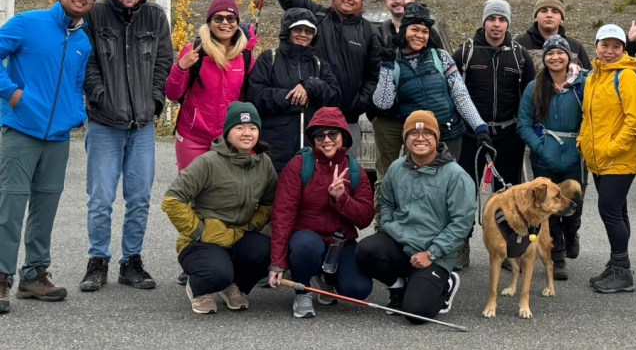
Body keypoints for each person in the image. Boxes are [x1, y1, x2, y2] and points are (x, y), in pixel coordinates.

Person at [0, 0, 98, 314]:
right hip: (21, 130)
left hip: (58, 136)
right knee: (9, 205)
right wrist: (10, 93)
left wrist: (76, 113)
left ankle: (34, 274)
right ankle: (1, 276)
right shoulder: (28, 23)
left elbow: (74, 84)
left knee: (46, 207)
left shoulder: (84, 40)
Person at [81, 0, 174, 293]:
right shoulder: (97, 15)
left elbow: (164, 61)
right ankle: (97, 261)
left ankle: (130, 261)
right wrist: (99, 95)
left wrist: (155, 101)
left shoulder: (155, 16)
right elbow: (87, 61)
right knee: (101, 198)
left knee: (139, 198)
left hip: (143, 126)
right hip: (104, 122)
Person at [355, 110, 475, 324]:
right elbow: (386, 204)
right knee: (366, 251)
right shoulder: (396, 168)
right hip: (401, 243)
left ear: (437, 138)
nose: (420, 138)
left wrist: (432, 253)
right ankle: (398, 286)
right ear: (405, 138)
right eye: (413, 133)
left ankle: (445, 284)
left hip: (434, 253)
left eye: (427, 133)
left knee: (416, 313)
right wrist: (393, 228)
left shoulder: (456, 176)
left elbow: (461, 224)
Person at [262, 0, 380, 129]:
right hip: (310, 113)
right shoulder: (316, 16)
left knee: (345, 163)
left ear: (362, 1)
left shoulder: (369, 31)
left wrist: (358, 104)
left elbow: (374, 75)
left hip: (347, 118)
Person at [161, 102, 277, 314]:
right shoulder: (208, 162)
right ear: (227, 132)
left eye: (252, 128)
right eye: (239, 128)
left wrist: (252, 225)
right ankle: (199, 289)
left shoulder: (264, 163)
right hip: (203, 240)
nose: (247, 133)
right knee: (216, 272)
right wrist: (200, 231)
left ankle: (233, 286)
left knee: (265, 251)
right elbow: (172, 199)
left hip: (239, 235)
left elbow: (270, 202)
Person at [268, 106, 374, 318]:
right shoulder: (299, 165)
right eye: (319, 135)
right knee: (306, 245)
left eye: (332, 133)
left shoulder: (355, 171)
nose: (326, 139)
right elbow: (282, 215)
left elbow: (365, 219)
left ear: (343, 135)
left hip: (339, 242)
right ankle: (302, 288)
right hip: (306, 239)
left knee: (358, 289)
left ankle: (326, 278)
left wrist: (342, 198)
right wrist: (277, 262)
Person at [454, 0, 535, 268]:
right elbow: (454, 93)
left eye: (502, 20)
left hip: (508, 136)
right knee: (465, 194)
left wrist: (526, 132)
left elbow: (530, 97)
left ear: (508, 23)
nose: (496, 25)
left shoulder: (520, 55)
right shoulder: (465, 52)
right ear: (484, 21)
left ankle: (509, 247)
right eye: (492, 19)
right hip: (471, 136)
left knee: (509, 196)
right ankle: (461, 244)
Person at [373, 3, 491, 164]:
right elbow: (383, 103)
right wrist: (386, 66)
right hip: (418, 139)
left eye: (425, 31)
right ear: (404, 30)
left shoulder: (441, 57)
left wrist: (479, 126)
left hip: (449, 134)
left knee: (449, 182)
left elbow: (460, 95)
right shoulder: (392, 61)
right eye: (414, 29)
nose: (420, 35)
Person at [579, 24, 636, 294]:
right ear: (595, 46)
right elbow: (588, 116)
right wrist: (583, 141)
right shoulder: (594, 77)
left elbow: (635, 122)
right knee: (618, 211)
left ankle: (622, 271)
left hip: (619, 159)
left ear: (623, 49)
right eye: (604, 46)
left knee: (609, 211)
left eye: (616, 46)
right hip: (599, 158)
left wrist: (611, 148)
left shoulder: (626, 78)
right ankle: (618, 264)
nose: (609, 51)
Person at [516, 35, 586, 281]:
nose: (555, 57)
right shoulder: (534, 87)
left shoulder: (583, 83)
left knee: (574, 202)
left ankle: (572, 232)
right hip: (545, 157)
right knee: (549, 208)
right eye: (550, 54)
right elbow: (523, 124)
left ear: (569, 56)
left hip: (577, 155)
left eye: (560, 53)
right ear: (543, 59)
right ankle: (557, 256)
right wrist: (540, 147)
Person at [165, 0, 257, 171]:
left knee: (228, 194)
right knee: (192, 192)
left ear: (237, 23)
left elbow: (250, 98)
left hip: (230, 138)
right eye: (218, 18)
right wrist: (181, 68)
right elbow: (172, 94)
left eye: (231, 18)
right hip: (193, 137)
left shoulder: (245, 56)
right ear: (209, 22)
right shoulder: (193, 51)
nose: (225, 23)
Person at [248, 8, 342, 172]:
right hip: (274, 147)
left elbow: (334, 97)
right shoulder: (269, 58)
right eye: (297, 29)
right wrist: (291, 97)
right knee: (274, 195)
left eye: (308, 31)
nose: (303, 35)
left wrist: (311, 86)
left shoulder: (319, 64)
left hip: (313, 145)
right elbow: (255, 96)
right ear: (287, 31)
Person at [516, 0, 593, 72]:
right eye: (544, 11)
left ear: (562, 19)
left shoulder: (575, 47)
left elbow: (588, 78)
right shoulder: (519, 45)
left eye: (555, 11)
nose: (549, 15)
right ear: (535, 17)